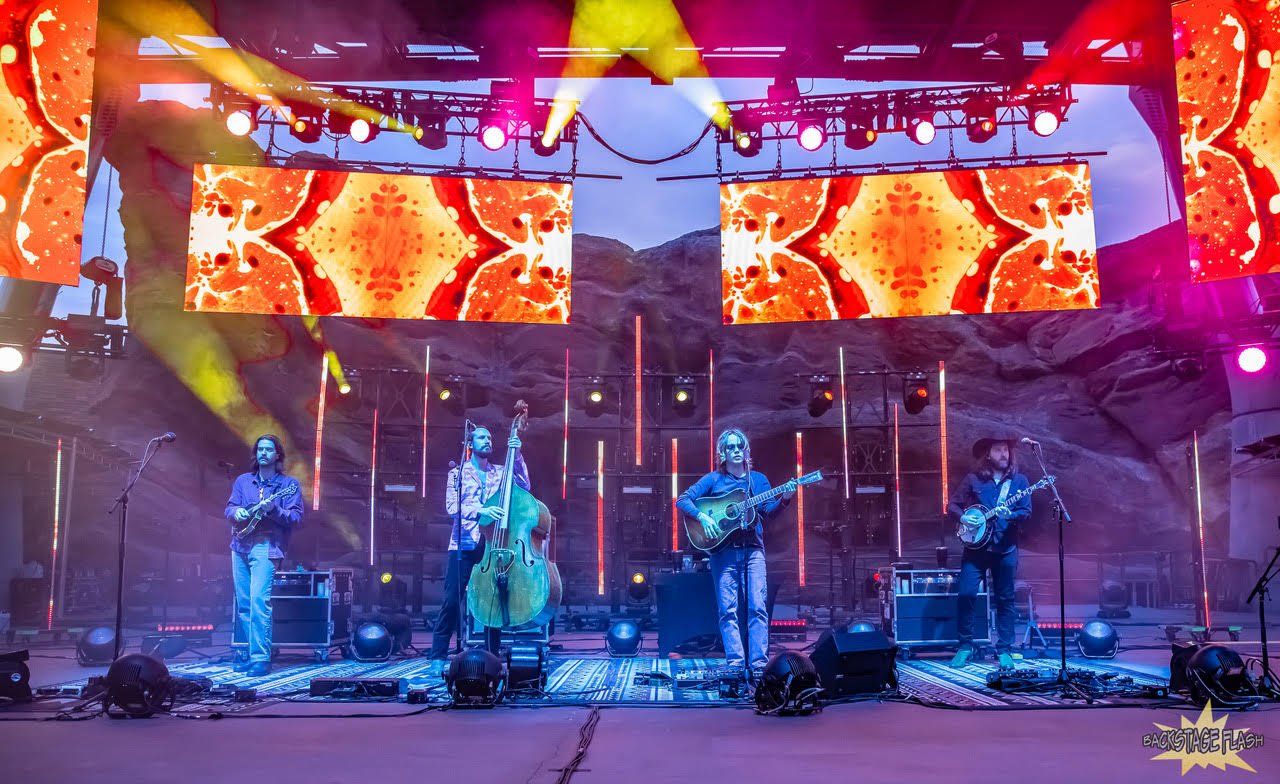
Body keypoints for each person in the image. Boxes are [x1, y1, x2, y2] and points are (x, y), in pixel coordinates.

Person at [676, 428, 796, 679]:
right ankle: (735, 663)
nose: (736, 450)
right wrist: (702, 516)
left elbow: (769, 513)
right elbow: (683, 499)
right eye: (730, 447)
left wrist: (785, 499)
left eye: (740, 446)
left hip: (753, 551)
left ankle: (759, 663)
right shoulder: (713, 480)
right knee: (728, 610)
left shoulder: (758, 480)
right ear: (723, 452)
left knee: (757, 607)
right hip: (724, 553)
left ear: (746, 450)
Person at [429, 425, 528, 662]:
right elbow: (452, 508)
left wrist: (518, 456)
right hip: (463, 544)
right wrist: (482, 510)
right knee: (452, 600)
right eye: (482, 437)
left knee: (492, 599)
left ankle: (491, 654)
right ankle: (438, 655)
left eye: (490, 437)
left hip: (492, 543)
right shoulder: (457, 474)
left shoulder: (501, 471)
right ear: (470, 444)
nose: (487, 441)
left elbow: (524, 486)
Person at [948, 436, 1031, 669]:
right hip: (976, 549)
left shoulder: (1020, 481)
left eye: (1006, 449)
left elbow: (1025, 511)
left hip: (1005, 548)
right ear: (988, 454)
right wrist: (962, 516)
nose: (1004, 454)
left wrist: (1010, 515)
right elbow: (952, 504)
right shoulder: (973, 479)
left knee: (1005, 599)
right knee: (966, 595)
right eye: (998, 450)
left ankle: (1004, 649)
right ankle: (965, 646)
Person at [224, 434, 303, 677]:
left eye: (269, 449)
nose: (263, 453)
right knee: (245, 604)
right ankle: (250, 653)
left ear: (277, 455)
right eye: (260, 449)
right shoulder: (243, 481)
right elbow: (229, 507)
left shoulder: (288, 485)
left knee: (259, 601)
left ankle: (261, 658)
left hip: (266, 546)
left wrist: (275, 509)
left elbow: (296, 518)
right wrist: (236, 512)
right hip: (239, 546)